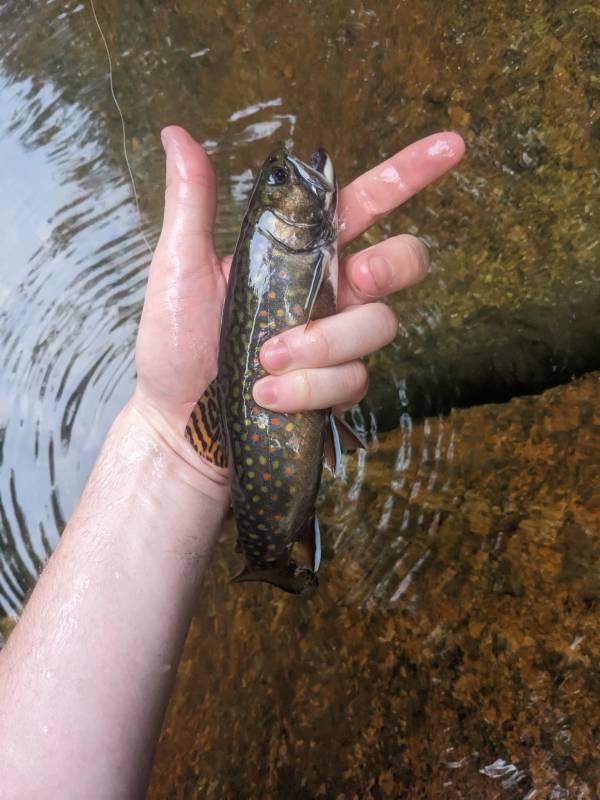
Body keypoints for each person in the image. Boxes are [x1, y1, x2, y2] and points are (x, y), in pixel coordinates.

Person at [0, 126, 464, 797]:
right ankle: (277, 548)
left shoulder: (292, 239)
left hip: (238, 448)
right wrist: (171, 438)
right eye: (279, 185)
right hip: (255, 447)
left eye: (277, 183)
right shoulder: (284, 239)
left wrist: (172, 451)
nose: (287, 179)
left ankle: (279, 547)